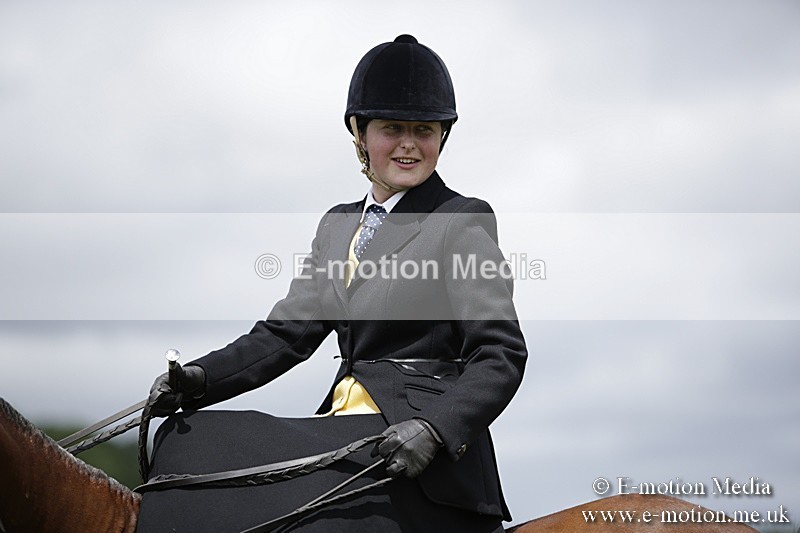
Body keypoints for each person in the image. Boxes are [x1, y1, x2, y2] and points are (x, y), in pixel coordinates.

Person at [146, 34, 527, 532]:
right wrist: (200, 378)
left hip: (413, 447)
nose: (410, 144)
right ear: (359, 133)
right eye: (393, 129)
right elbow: (284, 336)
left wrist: (435, 429)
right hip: (343, 433)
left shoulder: (461, 220)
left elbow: (500, 355)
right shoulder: (337, 225)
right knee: (196, 441)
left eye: (424, 130)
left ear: (442, 136)